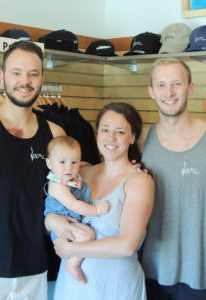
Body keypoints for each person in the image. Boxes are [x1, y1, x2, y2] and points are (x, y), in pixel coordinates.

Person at [0, 40, 66, 300]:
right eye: (16, 72)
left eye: (33, 73)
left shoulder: (55, 133)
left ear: (41, 78)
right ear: (2, 76)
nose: (24, 81)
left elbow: (66, 195)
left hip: (34, 269)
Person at [45, 102, 154, 300]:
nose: (110, 138)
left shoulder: (139, 181)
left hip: (115, 287)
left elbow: (127, 245)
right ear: (97, 134)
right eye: (105, 130)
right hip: (71, 287)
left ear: (132, 137)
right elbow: (56, 208)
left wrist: (71, 249)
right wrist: (51, 221)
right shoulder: (82, 172)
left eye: (120, 132)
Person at [138, 58, 206, 300]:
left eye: (176, 84)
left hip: (201, 275)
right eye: (161, 85)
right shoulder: (143, 139)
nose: (169, 92)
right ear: (151, 91)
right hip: (151, 271)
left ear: (190, 88)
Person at [44, 135, 109, 284]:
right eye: (62, 162)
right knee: (88, 235)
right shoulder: (57, 185)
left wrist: (80, 166)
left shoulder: (71, 177)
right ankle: (73, 264)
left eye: (74, 162)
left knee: (87, 235)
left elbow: (75, 170)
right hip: (63, 227)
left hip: (71, 223)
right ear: (49, 163)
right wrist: (96, 210)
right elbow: (74, 205)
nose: (69, 167)